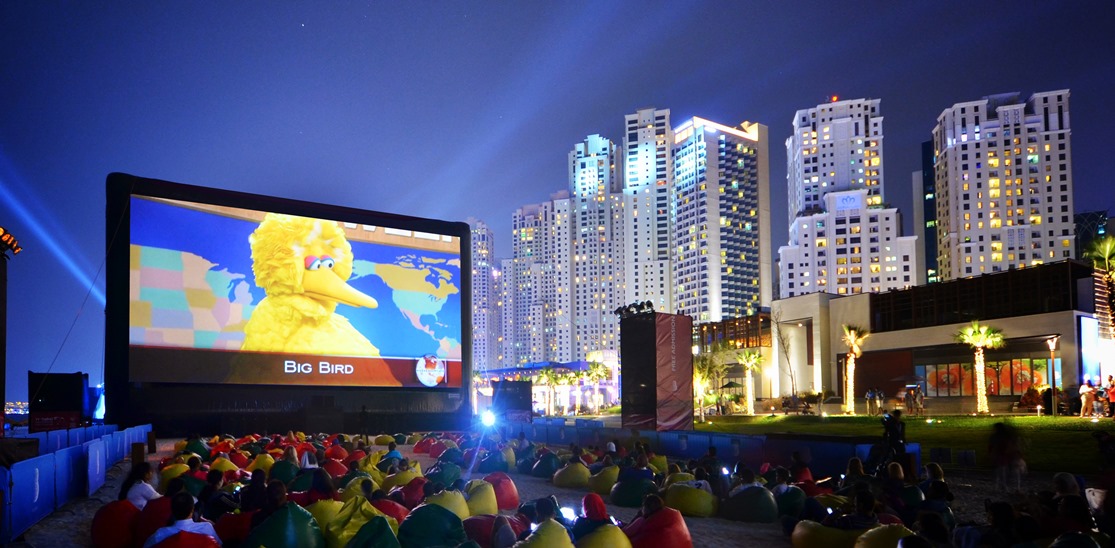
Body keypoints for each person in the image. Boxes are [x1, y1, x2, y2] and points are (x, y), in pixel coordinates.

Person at [143, 492, 222, 547]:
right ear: (192, 510)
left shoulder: (160, 534)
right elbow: (219, 545)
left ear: (172, 510)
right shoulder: (206, 528)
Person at [988, 422, 1024, 492]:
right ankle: (1010, 487)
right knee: (1005, 471)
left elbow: (992, 446)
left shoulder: (997, 437)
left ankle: (1001, 486)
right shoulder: (1005, 436)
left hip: (1002, 455)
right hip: (1004, 455)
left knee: (1001, 471)